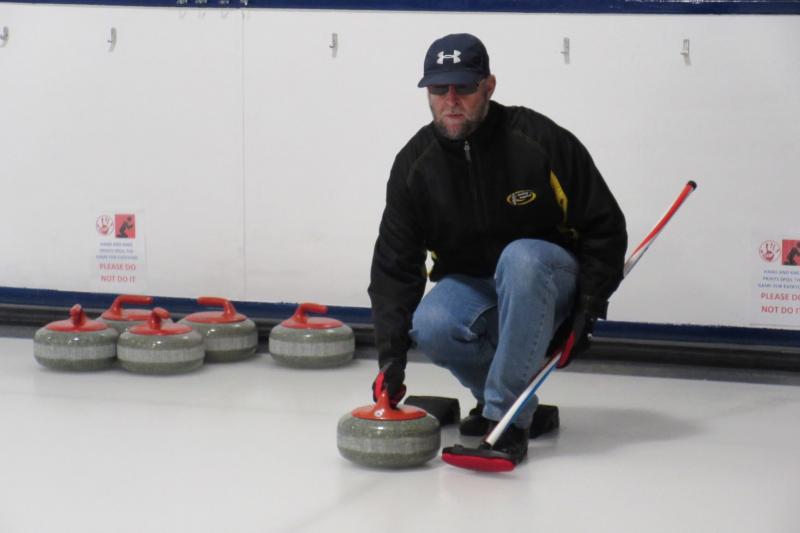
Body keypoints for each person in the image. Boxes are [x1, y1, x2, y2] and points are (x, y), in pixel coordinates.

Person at [368, 33, 627, 465]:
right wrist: (390, 360)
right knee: (430, 321)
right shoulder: (415, 165)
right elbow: (395, 266)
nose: (451, 100)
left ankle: (505, 420)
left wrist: (589, 306)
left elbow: (604, 225)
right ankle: (518, 410)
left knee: (521, 257)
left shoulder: (537, 140)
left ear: (488, 86)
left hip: (547, 280)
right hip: (477, 286)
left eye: (464, 88)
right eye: (438, 89)